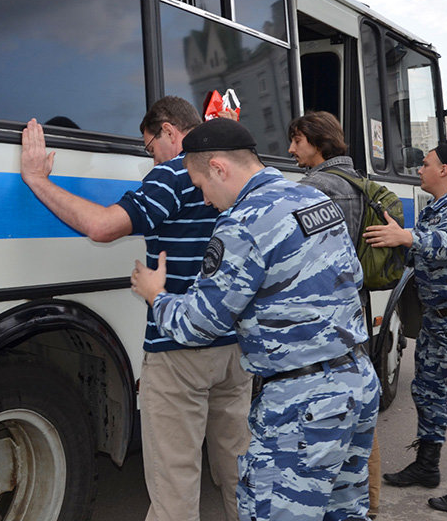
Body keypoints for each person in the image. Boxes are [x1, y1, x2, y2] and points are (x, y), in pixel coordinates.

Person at [131, 119, 380, 521]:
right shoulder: (313, 198)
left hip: (302, 402)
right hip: (357, 382)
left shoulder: (243, 221)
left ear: (218, 168)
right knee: (343, 513)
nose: (205, 200)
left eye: (200, 186)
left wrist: (155, 294)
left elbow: (199, 324)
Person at [20, 97, 250, 521]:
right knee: (239, 469)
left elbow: (103, 226)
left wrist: (37, 179)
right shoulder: (232, 171)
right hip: (233, 347)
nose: (151, 159)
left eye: (149, 147)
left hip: (180, 348)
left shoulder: (174, 172)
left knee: (174, 486)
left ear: (169, 131)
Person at [363, 144, 447, 513]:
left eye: (425, 164)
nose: (419, 169)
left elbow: (445, 245)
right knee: (426, 393)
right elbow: (417, 255)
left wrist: (406, 236)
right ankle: (427, 465)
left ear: (444, 170)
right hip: (439, 321)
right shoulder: (433, 210)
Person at [288, 110, 380, 519]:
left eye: (297, 141)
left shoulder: (313, 188)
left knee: (322, 417)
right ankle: (368, 501)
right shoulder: (358, 181)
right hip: (353, 306)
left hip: (321, 315)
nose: (291, 149)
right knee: (359, 409)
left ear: (318, 142)